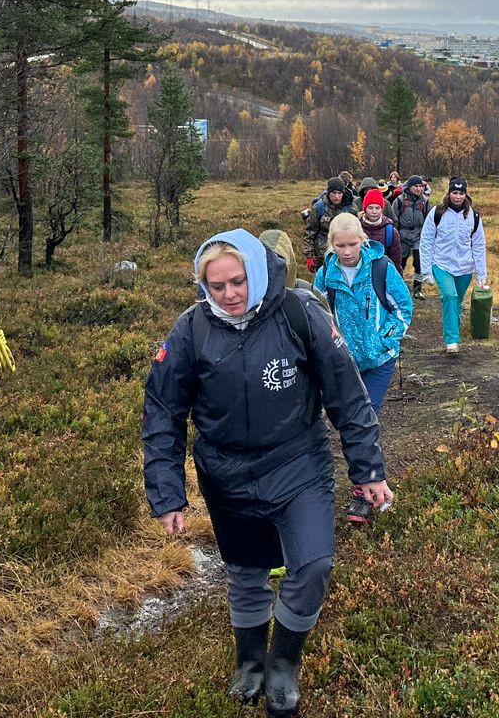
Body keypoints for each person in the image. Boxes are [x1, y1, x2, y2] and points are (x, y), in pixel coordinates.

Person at [144, 230, 392, 716]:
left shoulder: (300, 314)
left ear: (256, 274)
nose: (229, 295)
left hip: (297, 463)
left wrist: (368, 468)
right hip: (225, 473)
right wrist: (167, 493)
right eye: (216, 287)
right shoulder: (190, 330)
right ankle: (250, 661)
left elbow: (346, 392)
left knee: (314, 564)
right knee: (246, 570)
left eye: (237, 282)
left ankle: (283, 662)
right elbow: (162, 412)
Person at [312, 213, 412, 521]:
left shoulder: (382, 268)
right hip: (344, 363)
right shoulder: (325, 274)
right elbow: (315, 315)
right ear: (331, 244)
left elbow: (403, 307)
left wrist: (387, 340)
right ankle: (356, 481)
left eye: (352, 244)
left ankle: (362, 490)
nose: (346, 251)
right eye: (340, 245)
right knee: (347, 420)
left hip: (380, 360)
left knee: (363, 417)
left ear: (362, 241)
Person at [421, 177, 488, 354]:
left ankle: (454, 331)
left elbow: (479, 245)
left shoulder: (473, 216)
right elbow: (426, 240)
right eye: (454, 193)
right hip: (441, 263)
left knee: (458, 300)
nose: (457, 197)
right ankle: (452, 340)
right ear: (449, 193)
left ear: (466, 195)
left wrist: (482, 274)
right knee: (449, 296)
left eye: (461, 193)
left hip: (465, 267)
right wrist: (426, 270)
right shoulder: (437, 213)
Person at [300, 177, 356, 270]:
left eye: (339, 193)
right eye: (334, 193)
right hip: (322, 258)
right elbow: (309, 232)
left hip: (345, 256)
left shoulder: (350, 208)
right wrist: (309, 257)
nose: (336, 196)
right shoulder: (319, 207)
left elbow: (356, 233)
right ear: (328, 193)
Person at [390, 175, 432, 298]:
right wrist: (395, 235)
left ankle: (418, 289)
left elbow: (429, 220)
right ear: (410, 187)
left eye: (420, 186)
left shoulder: (425, 201)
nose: (418, 189)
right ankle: (399, 287)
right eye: (416, 186)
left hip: (419, 236)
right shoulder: (399, 200)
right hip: (402, 236)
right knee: (400, 263)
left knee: (419, 263)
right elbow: (393, 219)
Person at [357, 187, 404, 269]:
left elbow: (396, 261)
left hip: (381, 273)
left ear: (382, 209)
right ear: (365, 209)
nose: (374, 212)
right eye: (370, 208)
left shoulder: (391, 232)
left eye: (377, 208)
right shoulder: (356, 228)